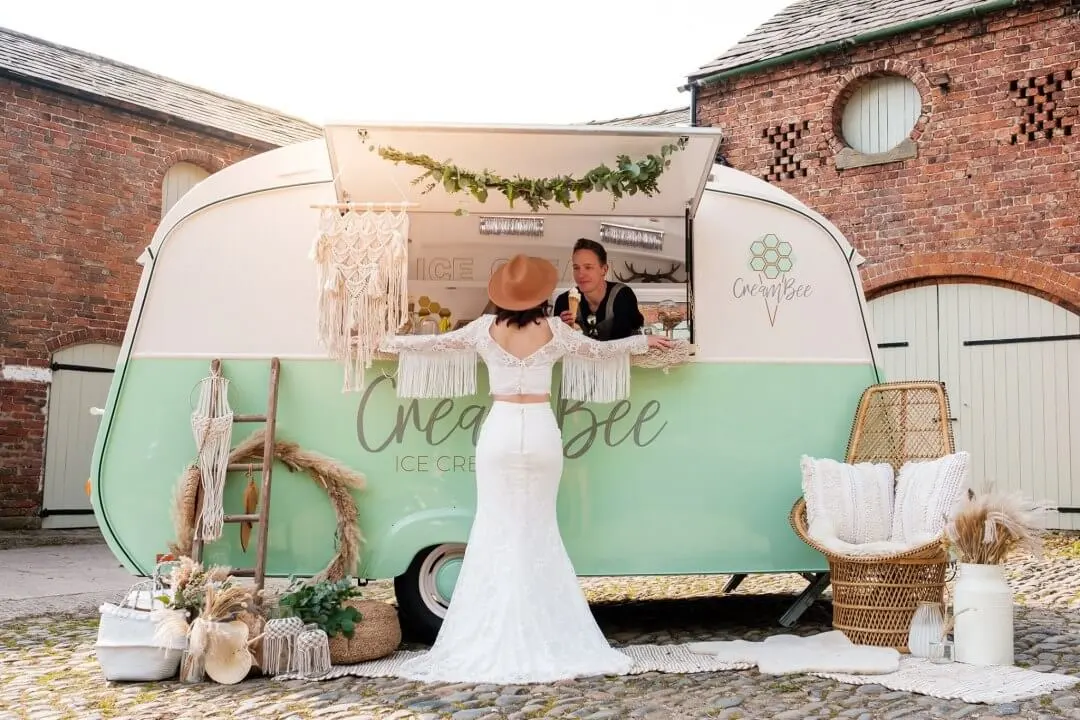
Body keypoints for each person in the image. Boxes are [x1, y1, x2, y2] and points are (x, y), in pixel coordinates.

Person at [377, 254, 673, 684]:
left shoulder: (484, 330)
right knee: (538, 528)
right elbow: (600, 351)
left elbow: (433, 345)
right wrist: (644, 343)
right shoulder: (555, 331)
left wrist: (388, 341)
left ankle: (492, 626)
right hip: (539, 434)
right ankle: (546, 627)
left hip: (499, 435)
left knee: (495, 528)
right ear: (538, 297)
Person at [553, 238, 645, 340]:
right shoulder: (563, 301)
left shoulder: (622, 295)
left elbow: (623, 342)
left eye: (588, 267)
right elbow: (559, 346)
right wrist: (563, 329)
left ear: (604, 270)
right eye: (576, 268)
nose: (580, 274)